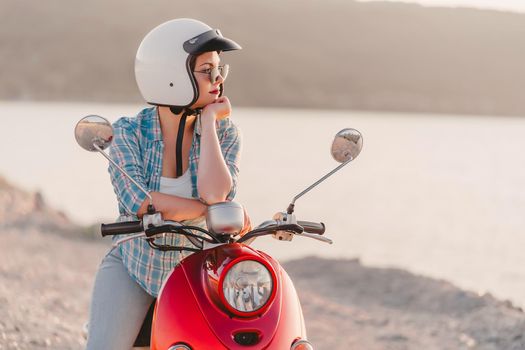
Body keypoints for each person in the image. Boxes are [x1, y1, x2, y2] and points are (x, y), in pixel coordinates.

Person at [85, 18, 248, 349]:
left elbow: (217, 193)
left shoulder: (226, 132)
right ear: (172, 76)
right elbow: (141, 201)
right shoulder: (129, 132)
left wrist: (208, 124)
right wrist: (208, 210)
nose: (218, 80)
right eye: (207, 70)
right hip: (135, 263)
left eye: (220, 70)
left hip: (199, 271)